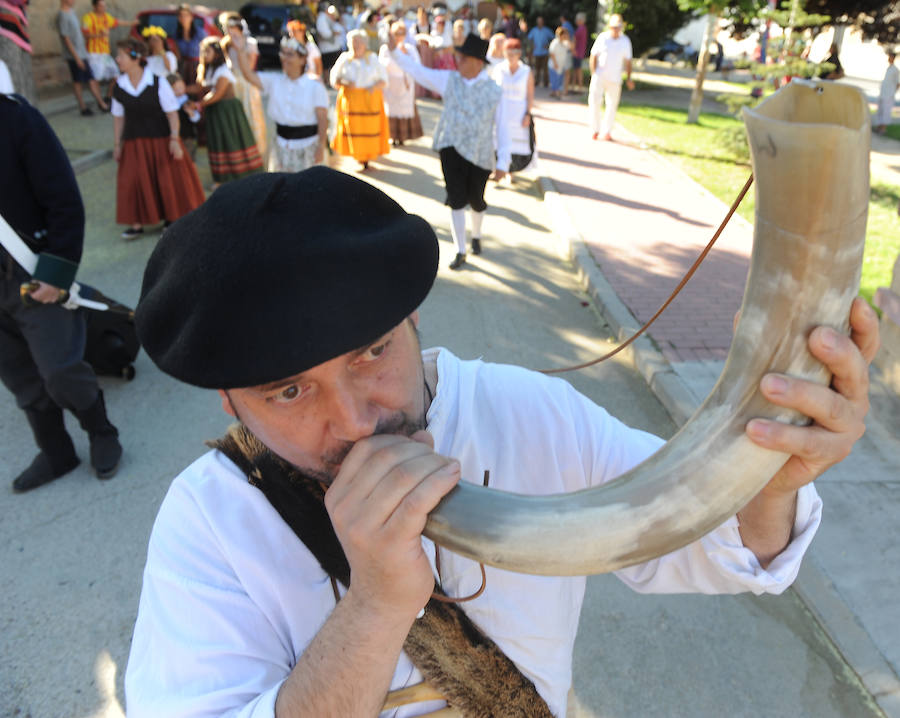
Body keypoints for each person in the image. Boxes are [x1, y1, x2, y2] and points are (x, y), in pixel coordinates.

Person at [124, 166, 878, 717]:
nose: (356, 422)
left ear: (413, 323)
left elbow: (696, 543)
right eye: (289, 391)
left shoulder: (526, 411)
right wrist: (375, 608)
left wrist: (770, 479)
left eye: (371, 354)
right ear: (231, 402)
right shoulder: (208, 525)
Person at [1, 93, 122, 492]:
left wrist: (56, 271)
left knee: (60, 370)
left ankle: (102, 432)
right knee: (20, 376)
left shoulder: (18, 119)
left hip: (31, 272)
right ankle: (56, 452)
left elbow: (63, 200)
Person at [390, 32, 507, 270]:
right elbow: (418, 71)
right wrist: (394, 52)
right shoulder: (449, 79)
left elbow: (503, 127)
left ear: (476, 62)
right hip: (451, 147)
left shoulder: (495, 90)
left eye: (462, 59)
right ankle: (460, 249)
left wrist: (503, 160)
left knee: (477, 200)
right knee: (456, 199)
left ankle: (476, 235)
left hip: (479, 153)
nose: (457, 62)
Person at [111, 38, 205, 239]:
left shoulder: (157, 82)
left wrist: (174, 139)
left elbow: (172, 114)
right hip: (134, 141)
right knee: (133, 181)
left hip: (161, 139)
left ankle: (170, 219)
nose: (117, 59)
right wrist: (117, 144)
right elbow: (118, 118)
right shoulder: (119, 86)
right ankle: (136, 225)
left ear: (135, 58)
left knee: (165, 179)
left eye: (121, 56)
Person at [234, 35, 328, 172]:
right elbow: (248, 75)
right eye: (283, 54)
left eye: (290, 55)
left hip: (308, 147)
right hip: (280, 146)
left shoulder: (315, 87)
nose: (284, 58)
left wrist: (321, 146)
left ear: (302, 60)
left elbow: (322, 119)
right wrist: (241, 50)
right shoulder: (274, 81)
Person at [197, 36, 264, 185]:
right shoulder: (208, 70)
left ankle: (242, 177)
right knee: (218, 143)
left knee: (231, 141)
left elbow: (217, 94)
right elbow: (202, 87)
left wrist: (198, 104)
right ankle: (222, 179)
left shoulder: (223, 71)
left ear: (217, 53)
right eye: (202, 52)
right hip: (215, 112)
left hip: (228, 112)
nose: (204, 55)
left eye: (207, 51)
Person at [330, 28, 389, 171]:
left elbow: (384, 79)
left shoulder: (372, 59)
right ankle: (358, 155)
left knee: (369, 129)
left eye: (358, 42)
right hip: (350, 101)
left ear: (365, 43)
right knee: (353, 129)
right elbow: (334, 79)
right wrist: (344, 83)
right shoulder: (344, 58)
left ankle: (366, 157)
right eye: (352, 42)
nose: (355, 45)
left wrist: (374, 87)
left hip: (369, 101)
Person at [219, 12, 267, 157]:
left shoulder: (249, 43)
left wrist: (240, 49)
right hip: (231, 81)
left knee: (250, 114)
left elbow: (250, 67)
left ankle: (255, 150)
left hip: (246, 82)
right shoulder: (226, 43)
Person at [57, 0, 108, 115]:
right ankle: (86, 107)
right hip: (75, 55)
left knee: (88, 79)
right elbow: (66, 38)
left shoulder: (71, 12)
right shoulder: (62, 16)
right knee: (80, 81)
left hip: (82, 52)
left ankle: (99, 104)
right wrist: (77, 58)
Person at [494, 38, 536, 179]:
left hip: (518, 113)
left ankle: (511, 171)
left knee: (515, 144)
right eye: (508, 53)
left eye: (514, 53)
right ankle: (499, 168)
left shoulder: (526, 71)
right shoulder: (499, 69)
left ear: (519, 54)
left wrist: (528, 113)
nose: (511, 56)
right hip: (501, 111)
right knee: (498, 141)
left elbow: (530, 95)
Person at [588, 13, 633, 141]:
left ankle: (607, 131)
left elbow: (628, 61)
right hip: (600, 76)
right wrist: (594, 73)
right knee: (595, 102)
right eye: (614, 26)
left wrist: (629, 78)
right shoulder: (602, 38)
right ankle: (595, 129)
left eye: (618, 26)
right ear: (609, 26)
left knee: (612, 105)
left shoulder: (625, 41)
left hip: (615, 78)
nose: (616, 29)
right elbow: (593, 55)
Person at [379, 20, 424, 147]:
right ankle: (392, 136)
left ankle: (403, 137)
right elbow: (384, 64)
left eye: (402, 33)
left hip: (406, 84)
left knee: (404, 109)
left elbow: (416, 64)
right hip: (392, 84)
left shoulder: (410, 48)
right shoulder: (385, 48)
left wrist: (404, 60)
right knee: (392, 109)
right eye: (396, 33)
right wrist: (400, 65)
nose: (399, 36)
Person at [81, 0, 134, 101]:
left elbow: (117, 22)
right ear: (95, 6)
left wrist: (132, 23)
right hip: (93, 53)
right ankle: (100, 102)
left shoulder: (106, 17)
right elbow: (84, 34)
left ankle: (108, 97)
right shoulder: (88, 18)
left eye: (104, 6)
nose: (104, 8)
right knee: (95, 78)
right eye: (101, 6)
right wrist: (99, 35)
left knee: (116, 75)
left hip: (105, 53)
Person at [173, 4, 205, 90]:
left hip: (198, 66)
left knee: (198, 90)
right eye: (181, 16)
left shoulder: (199, 33)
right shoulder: (177, 34)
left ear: (191, 17)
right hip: (184, 67)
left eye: (186, 15)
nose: (184, 18)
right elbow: (178, 55)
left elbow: (206, 50)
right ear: (178, 18)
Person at [316, 5, 346, 81]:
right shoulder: (322, 18)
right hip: (328, 48)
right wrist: (333, 33)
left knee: (331, 66)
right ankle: (328, 81)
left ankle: (330, 81)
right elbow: (325, 33)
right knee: (327, 67)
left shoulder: (325, 18)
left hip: (332, 47)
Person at [526, 15, 553, 88]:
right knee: (536, 69)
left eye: (541, 21)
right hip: (536, 52)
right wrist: (531, 47)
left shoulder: (547, 30)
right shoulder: (534, 30)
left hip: (545, 52)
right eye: (538, 21)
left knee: (545, 69)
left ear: (543, 22)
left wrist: (548, 45)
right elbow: (529, 39)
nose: (539, 23)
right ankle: (536, 82)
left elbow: (553, 38)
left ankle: (546, 83)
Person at [875, 50, 898, 134]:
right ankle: (879, 127)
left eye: (890, 57)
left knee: (886, 111)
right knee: (881, 110)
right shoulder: (888, 68)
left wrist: (892, 92)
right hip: (883, 93)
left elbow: (898, 83)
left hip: (889, 94)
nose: (889, 58)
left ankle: (883, 128)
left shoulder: (895, 70)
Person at [548, 26, 569, 98]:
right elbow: (552, 53)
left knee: (559, 79)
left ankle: (554, 92)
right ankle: (557, 93)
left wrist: (568, 39)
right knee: (555, 79)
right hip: (554, 65)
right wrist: (555, 63)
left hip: (561, 64)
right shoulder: (555, 43)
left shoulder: (565, 43)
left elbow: (572, 48)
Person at [572, 12, 588, 93]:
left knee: (578, 70)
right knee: (576, 70)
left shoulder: (581, 29)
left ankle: (579, 88)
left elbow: (575, 40)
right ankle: (575, 87)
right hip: (580, 52)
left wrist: (573, 50)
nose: (576, 21)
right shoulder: (583, 28)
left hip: (577, 52)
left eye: (578, 19)